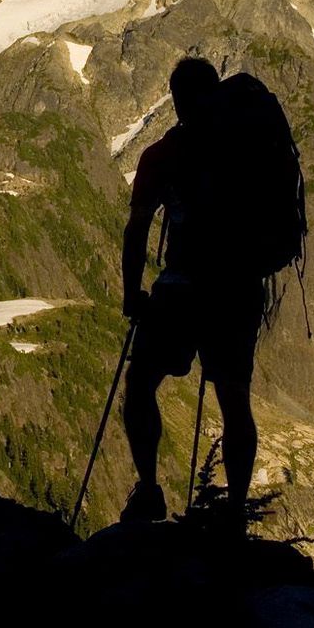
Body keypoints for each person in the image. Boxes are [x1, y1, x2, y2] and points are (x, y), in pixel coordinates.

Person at [121, 56, 265, 530]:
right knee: (234, 399)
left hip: (179, 291)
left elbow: (138, 227)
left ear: (176, 99)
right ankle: (236, 509)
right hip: (237, 293)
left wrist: (132, 293)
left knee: (141, 384)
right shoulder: (245, 148)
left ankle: (148, 491)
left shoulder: (163, 155)